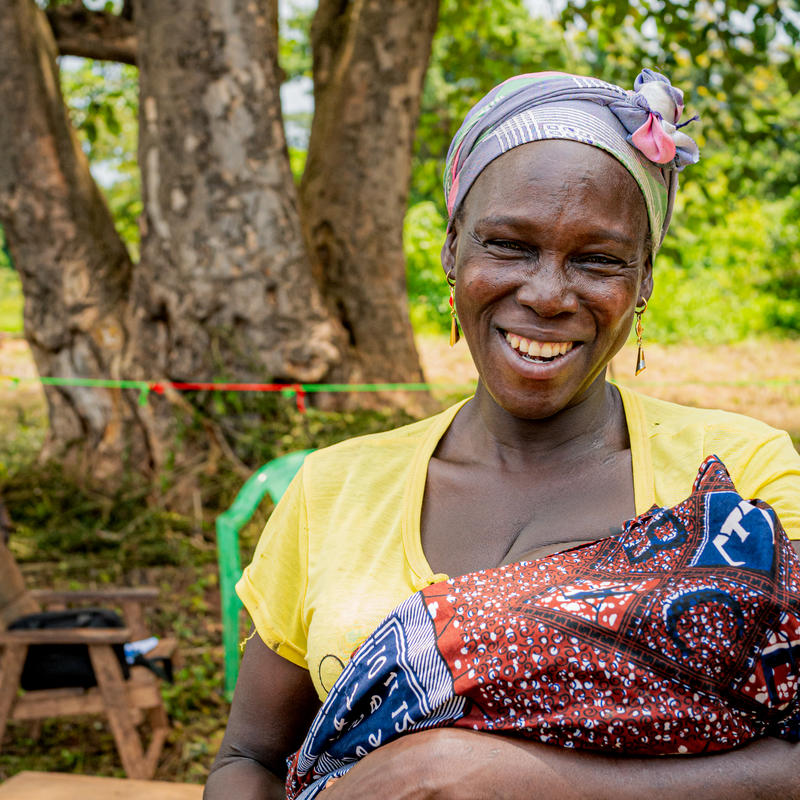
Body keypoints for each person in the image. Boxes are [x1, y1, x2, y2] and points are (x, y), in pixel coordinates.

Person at [205, 70, 800, 800]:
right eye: (510, 246)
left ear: (644, 279)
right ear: (452, 250)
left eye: (598, 259)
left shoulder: (742, 474)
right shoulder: (335, 489)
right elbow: (249, 759)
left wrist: (484, 777)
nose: (547, 295)